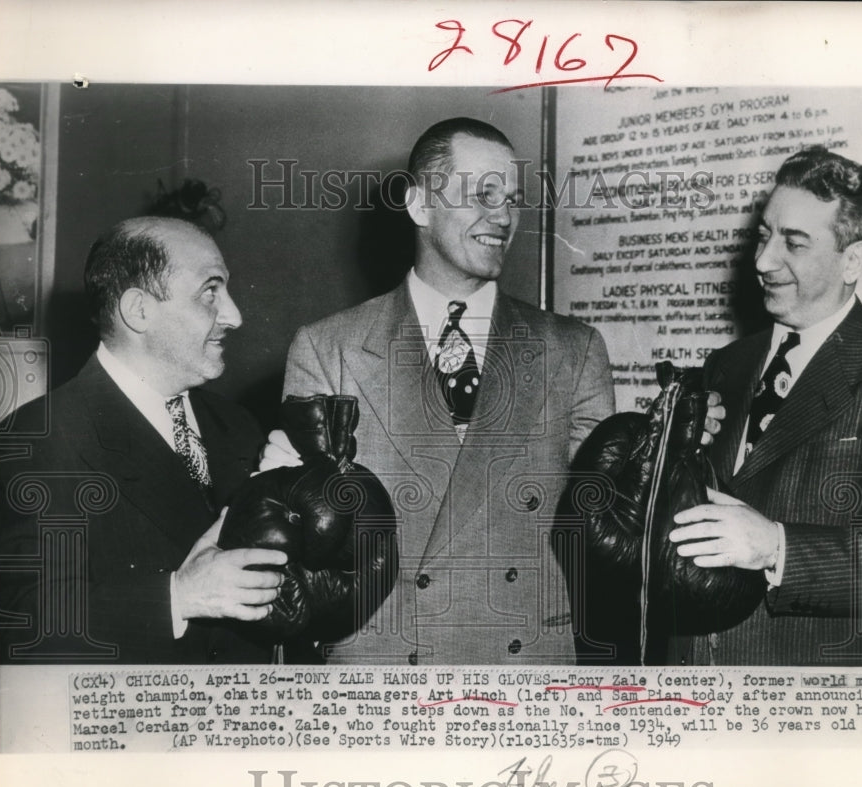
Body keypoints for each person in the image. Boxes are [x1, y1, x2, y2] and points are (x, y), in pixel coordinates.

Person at [265, 118, 620, 665]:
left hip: (524, 672)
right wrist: (281, 496)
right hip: (385, 676)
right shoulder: (327, 348)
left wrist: (662, 451)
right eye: (483, 194)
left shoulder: (573, 350)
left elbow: (605, 520)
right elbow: (309, 551)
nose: (502, 216)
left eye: (513, 199)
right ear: (419, 205)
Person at [668, 146, 862, 666]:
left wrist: (776, 546)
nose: (763, 260)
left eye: (793, 243)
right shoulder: (727, 364)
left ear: (853, 259)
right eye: (765, 235)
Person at [0, 217, 287, 665]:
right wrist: (178, 598)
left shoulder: (239, 425)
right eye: (211, 291)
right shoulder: (41, 439)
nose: (234, 315)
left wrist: (294, 499)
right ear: (139, 311)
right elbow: (28, 621)